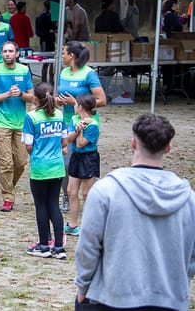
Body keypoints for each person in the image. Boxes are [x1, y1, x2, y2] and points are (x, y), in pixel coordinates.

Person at [75, 114, 195, 311]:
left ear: (133, 143)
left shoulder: (106, 190)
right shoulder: (189, 199)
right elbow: (191, 256)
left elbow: (88, 246)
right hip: (169, 299)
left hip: (111, 297)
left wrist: (83, 285)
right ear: (168, 148)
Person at [56, 41, 107, 213]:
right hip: (67, 120)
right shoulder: (64, 72)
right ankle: (67, 196)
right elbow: (61, 93)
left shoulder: (89, 74)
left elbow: (102, 100)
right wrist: (58, 100)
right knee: (64, 162)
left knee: (81, 160)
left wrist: (76, 102)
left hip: (86, 123)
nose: (61, 55)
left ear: (72, 55)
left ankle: (91, 193)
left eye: (64, 52)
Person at [0, 41, 33, 212]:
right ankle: (7, 197)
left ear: (17, 53)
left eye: (11, 51)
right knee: (6, 163)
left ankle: (8, 185)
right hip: (2, 122)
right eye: (4, 51)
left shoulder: (24, 70)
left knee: (20, 162)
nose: (7, 54)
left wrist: (21, 94)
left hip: (21, 122)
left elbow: (32, 98)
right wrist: (7, 94)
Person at [22, 82, 67, 260]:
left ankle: (43, 245)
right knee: (54, 205)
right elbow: (64, 142)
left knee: (41, 206)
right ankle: (59, 246)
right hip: (57, 167)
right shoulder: (60, 114)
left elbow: (28, 145)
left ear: (35, 98)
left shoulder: (31, 117)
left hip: (40, 168)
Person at [64, 93, 100, 238]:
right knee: (72, 191)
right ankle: (72, 225)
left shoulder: (93, 124)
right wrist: (77, 129)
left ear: (81, 107)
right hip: (76, 157)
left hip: (88, 158)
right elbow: (68, 139)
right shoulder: (74, 119)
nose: (74, 106)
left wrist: (81, 130)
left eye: (76, 104)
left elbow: (80, 143)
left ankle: (90, 225)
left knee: (87, 194)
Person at [35, 0, 57, 82]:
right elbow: (39, 32)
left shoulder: (52, 16)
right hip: (45, 41)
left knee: (51, 61)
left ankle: (50, 81)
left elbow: (54, 27)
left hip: (50, 40)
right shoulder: (41, 17)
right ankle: (44, 81)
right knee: (45, 61)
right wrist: (49, 31)